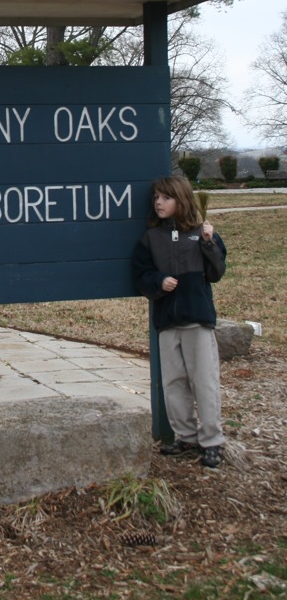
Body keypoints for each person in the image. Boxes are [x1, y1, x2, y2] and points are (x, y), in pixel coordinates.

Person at [133, 175, 227, 469]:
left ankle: (212, 441)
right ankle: (186, 436)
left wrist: (210, 244)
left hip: (197, 321)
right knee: (173, 382)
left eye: (166, 197)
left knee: (204, 381)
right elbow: (141, 276)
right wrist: (160, 281)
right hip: (167, 321)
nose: (158, 203)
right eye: (156, 198)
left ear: (181, 200)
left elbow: (217, 271)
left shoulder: (201, 234)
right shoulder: (151, 239)